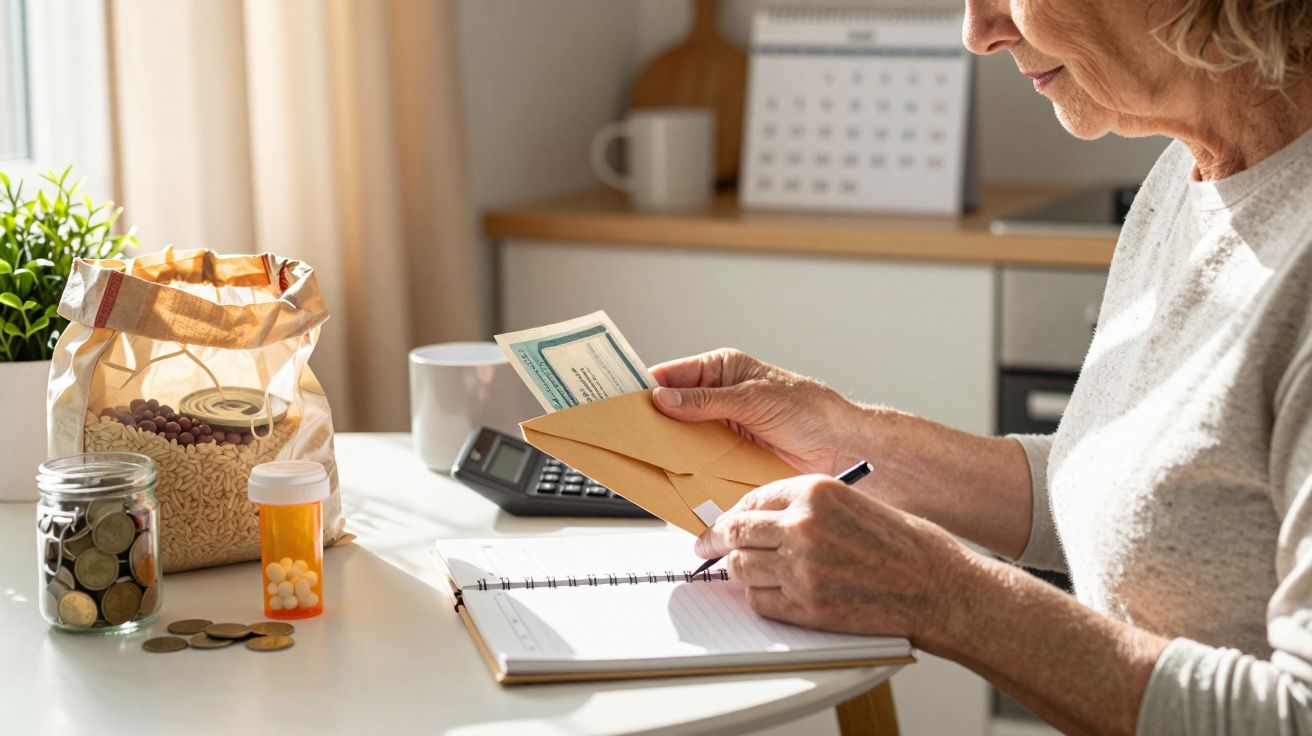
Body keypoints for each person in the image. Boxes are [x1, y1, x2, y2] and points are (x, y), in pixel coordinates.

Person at [649, 1, 1312, 734]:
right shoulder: (1183, 177)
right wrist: (848, 435)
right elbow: (1165, 502)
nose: (979, 31)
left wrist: (942, 594)